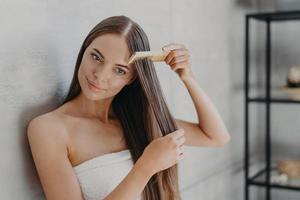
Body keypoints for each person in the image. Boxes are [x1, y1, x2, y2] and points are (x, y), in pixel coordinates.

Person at [27, 15, 230, 200]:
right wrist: (145, 167)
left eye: (119, 70)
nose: (101, 75)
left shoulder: (139, 120)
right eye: (96, 57)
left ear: (132, 78)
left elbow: (215, 137)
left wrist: (188, 76)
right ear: (84, 50)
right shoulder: (49, 129)